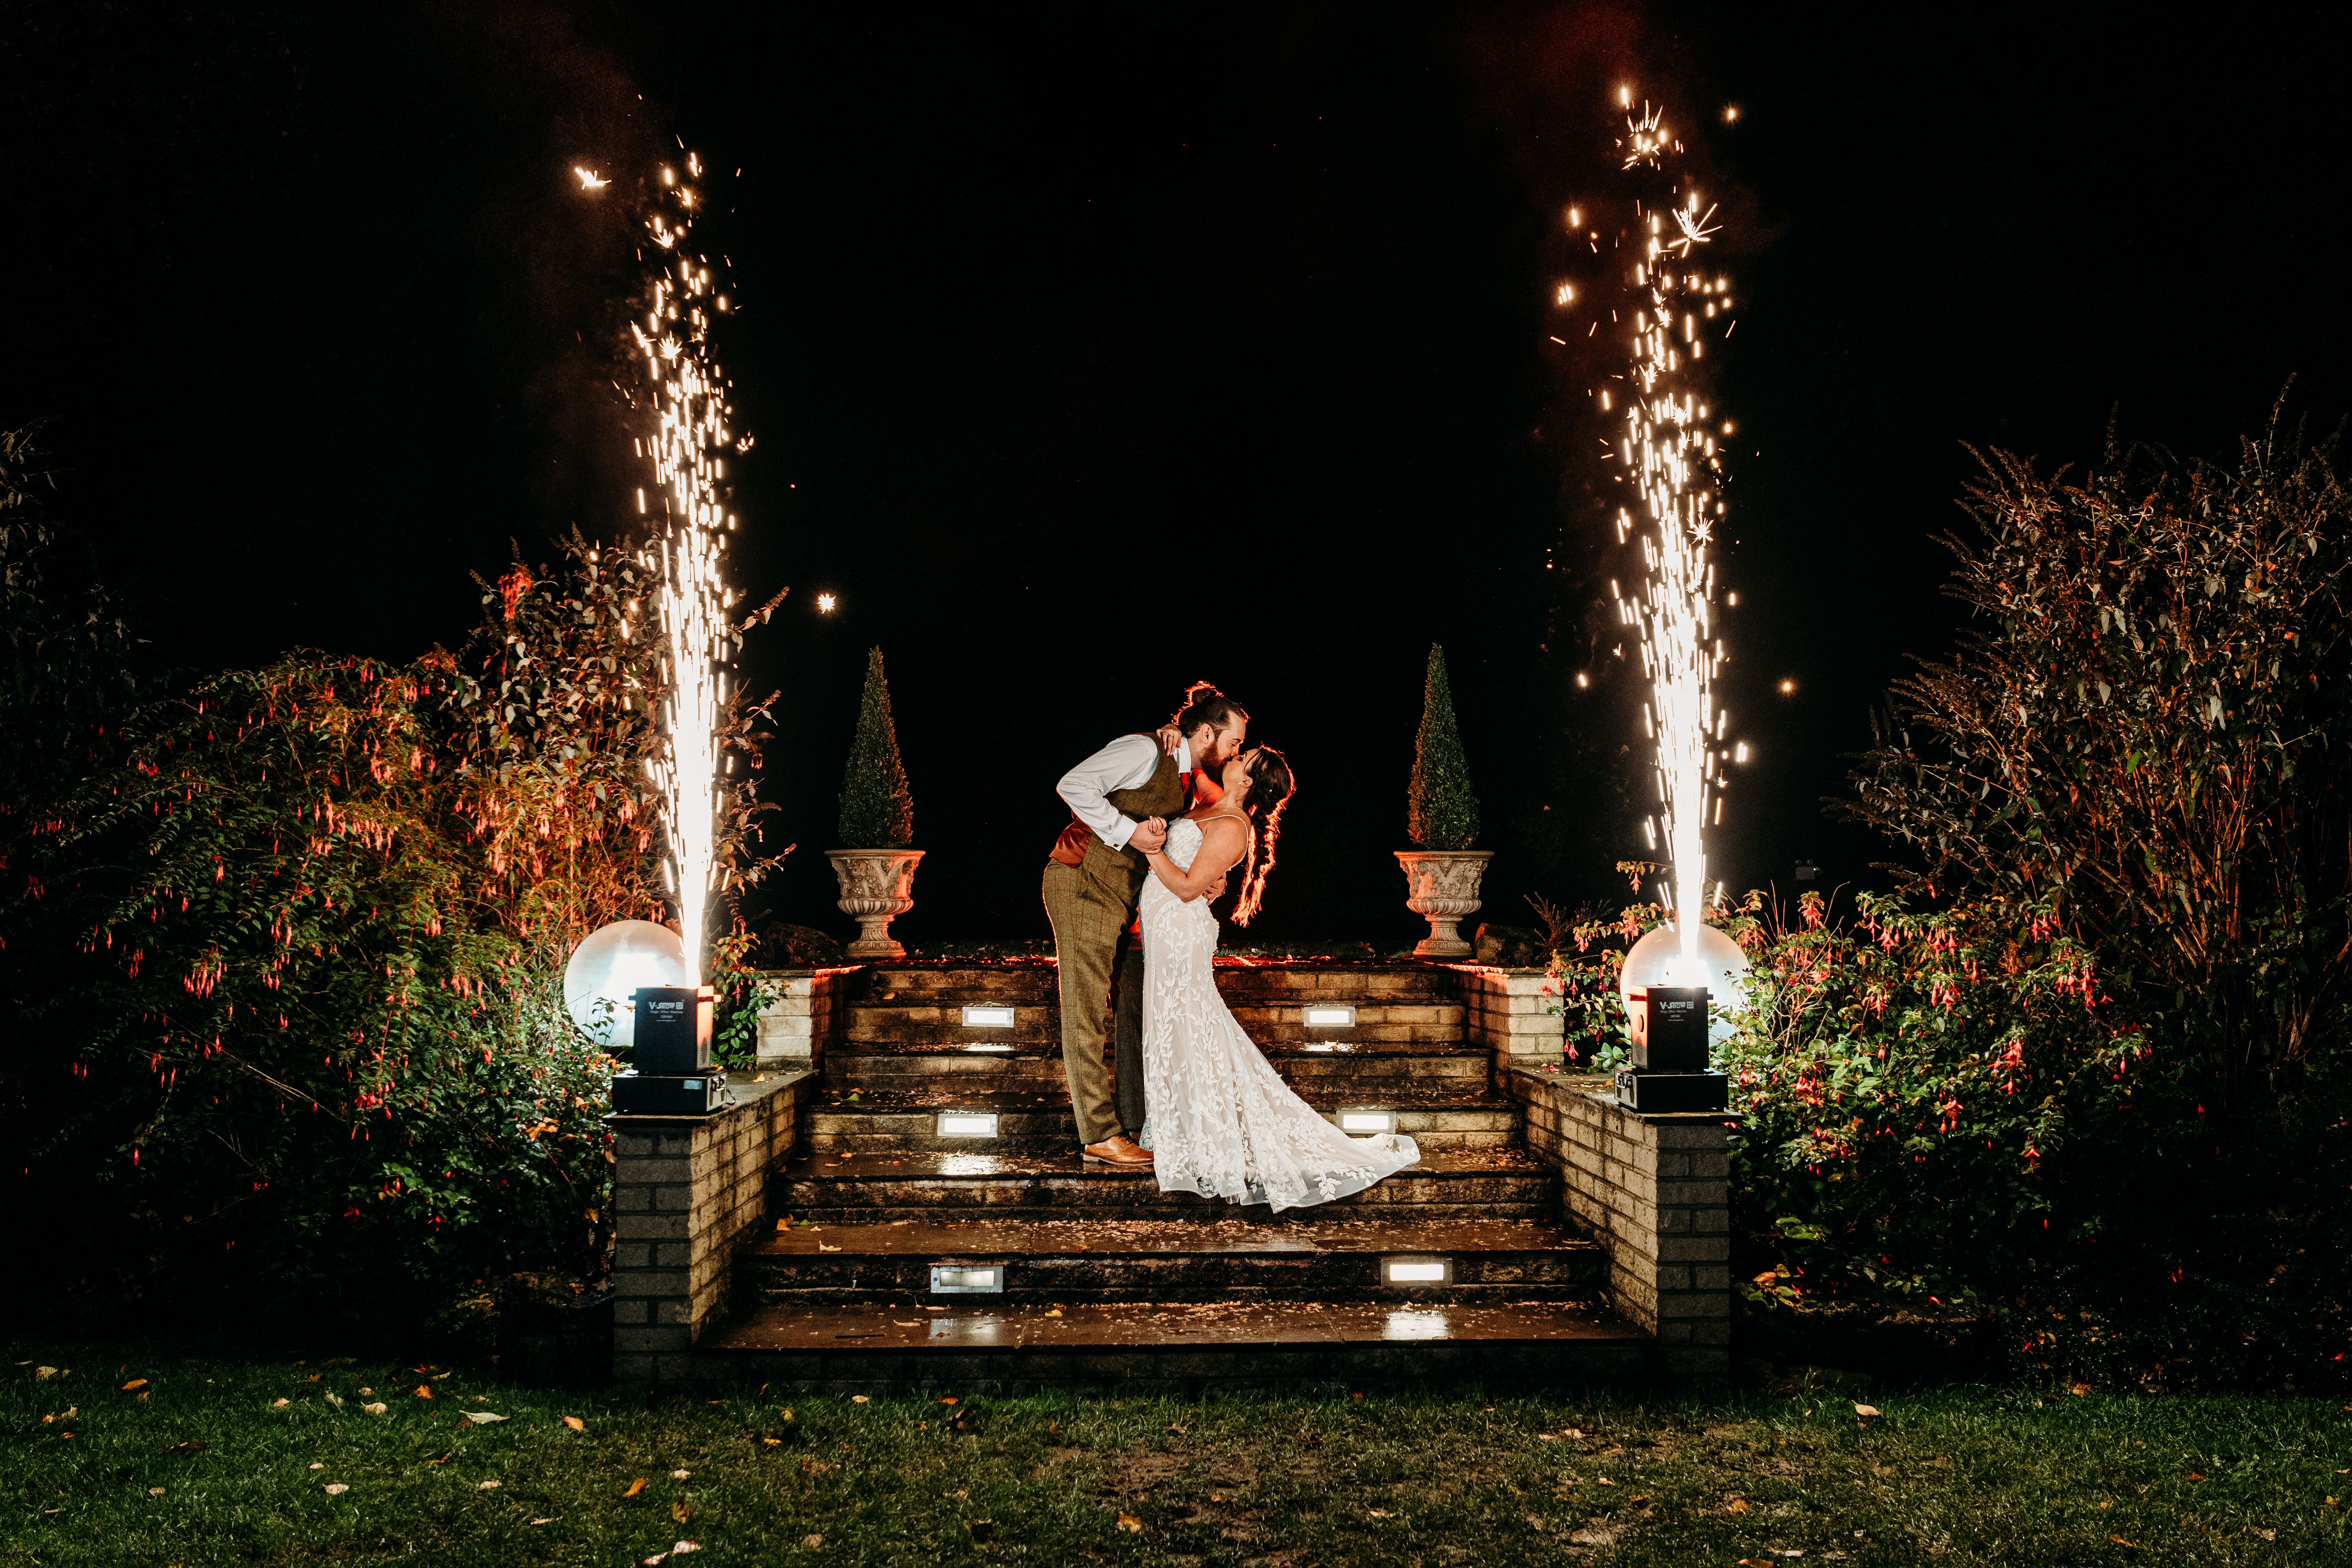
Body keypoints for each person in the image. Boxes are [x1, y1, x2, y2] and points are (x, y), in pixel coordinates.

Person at [1136, 744, 1422, 1209]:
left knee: (1188, 1027)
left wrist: (1151, 851)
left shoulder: (1233, 827)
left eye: (1240, 757)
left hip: (1179, 932)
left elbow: (1188, 888)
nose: (1231, 758)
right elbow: (1197, 874)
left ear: (1246, 781)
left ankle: (1204, 1141)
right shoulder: (1210, 811)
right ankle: (1187, 1132)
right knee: (1178, 1029)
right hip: (1165, 928)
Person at [1042, 683, 1246, 1165]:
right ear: (1205, 731)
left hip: (1126, 902)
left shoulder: (1186, 771)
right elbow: (1072, 785)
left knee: (1131, 1006)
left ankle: (1135, 1125)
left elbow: (1205, 830)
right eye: (1234, 740)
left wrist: (1208, 880)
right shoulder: (1143, 749)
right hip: (1083, 880)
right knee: (1086, 1009)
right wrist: (1127, 831)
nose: (1236, 749)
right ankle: (1099, 1135)